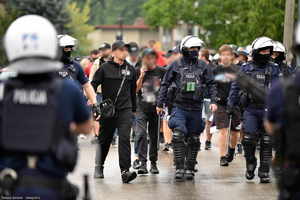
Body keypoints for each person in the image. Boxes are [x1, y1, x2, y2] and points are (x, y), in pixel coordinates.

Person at [0, 15, 92, 199]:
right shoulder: (67, 90)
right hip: (52, 187)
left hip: (9, 186)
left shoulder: (3, 89)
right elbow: (86, 127)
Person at [157, 35, 217, 182]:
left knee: (194, 138)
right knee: (178, 135)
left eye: (197, 48)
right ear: (184, 49)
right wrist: (160, 103)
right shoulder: (175, 65)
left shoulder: (204, 66)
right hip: (179, 106)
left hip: (196, 107)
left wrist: (214, 101)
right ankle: (179, 167)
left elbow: (212, 84)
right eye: (192, 48)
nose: (194, 51)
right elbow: (165, 84)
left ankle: (190, 167)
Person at [228, 36, 280, 183]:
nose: (265, 53)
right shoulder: (246, 68)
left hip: (268, 110)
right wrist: (231, 104)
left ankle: (264, 170)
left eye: (268, 51)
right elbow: (235, 87)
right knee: (249, 139)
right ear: (256, 51)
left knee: (267, 141)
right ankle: (250, 163)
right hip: (250, 109)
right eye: (262, 51)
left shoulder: (274, 68)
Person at [91, 41, 137, 183]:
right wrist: (94, 104)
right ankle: (99, 166)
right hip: (108, 110)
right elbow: (92, 85)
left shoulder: (131, 70)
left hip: (125, 109)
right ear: (114, 52)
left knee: (124, 138)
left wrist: (134, 109)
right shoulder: (104, 68)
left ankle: (125, 171)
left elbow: (133, 91)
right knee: (104, 139)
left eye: (126, 50)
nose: (125, 52)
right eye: (122, 50)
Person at [133, 48, 166, 175]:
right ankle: (142, 163)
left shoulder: (162, 71)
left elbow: (166, 87)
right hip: (141, 107)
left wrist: (163, 103)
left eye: (151, 57)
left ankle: (153, 163)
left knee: (154, 137)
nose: (149, 60)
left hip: (156, 108)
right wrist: (141, 76)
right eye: (146, 57)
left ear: (155, 58)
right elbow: (135, 90)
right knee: (141, 134)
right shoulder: (137, 71)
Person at [213, 45, 241, 166]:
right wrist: (214, 100)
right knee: (223, 130)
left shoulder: (238, 70)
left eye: (227, 54)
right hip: (221, 104)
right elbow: (212, 86)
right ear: (220, 56)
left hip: (235, 104)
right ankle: (222, 156)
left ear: (231, 56)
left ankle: (231, 150)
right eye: (223, 54)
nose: (225, 57)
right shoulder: (216, 70)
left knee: (235, 132)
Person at [57, 35, 98, 106]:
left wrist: (94, 103)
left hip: (74, 106)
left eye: (71, 48)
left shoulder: (76, 66)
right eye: (66, 49)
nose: (69, 51)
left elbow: (87, 85)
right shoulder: (49, 66)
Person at [199, 48, 215, 150]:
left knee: (209, 120)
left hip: (209, 98)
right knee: (199, 120)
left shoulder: (213, 68)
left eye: (199, 56)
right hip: (200, 97)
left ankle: (208, 141)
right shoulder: (197, 66)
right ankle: (197, 141)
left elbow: (213, 84)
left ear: (204, 57)